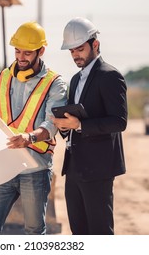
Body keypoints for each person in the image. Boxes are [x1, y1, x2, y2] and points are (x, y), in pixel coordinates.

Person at [0, 21, 68, 235]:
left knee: (34, 232)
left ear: (41, 51)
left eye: (27, 53)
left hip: (35, 169)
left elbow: (51, 125)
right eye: (17, 51)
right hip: (3, 165)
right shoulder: (2, 78)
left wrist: (29, 138)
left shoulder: (55, 84)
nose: (21, 57)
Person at [51, 17, 128, 235]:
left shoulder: (110, 76)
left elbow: (119, 121)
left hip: (98, 168)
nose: (76, 55)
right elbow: (75, 121)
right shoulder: (75, 79)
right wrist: (66, 127)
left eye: (80, 49)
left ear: (95, 44)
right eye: (72, 51)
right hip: (74, 167)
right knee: (79, 233)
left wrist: (81, 125)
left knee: (100, 232)